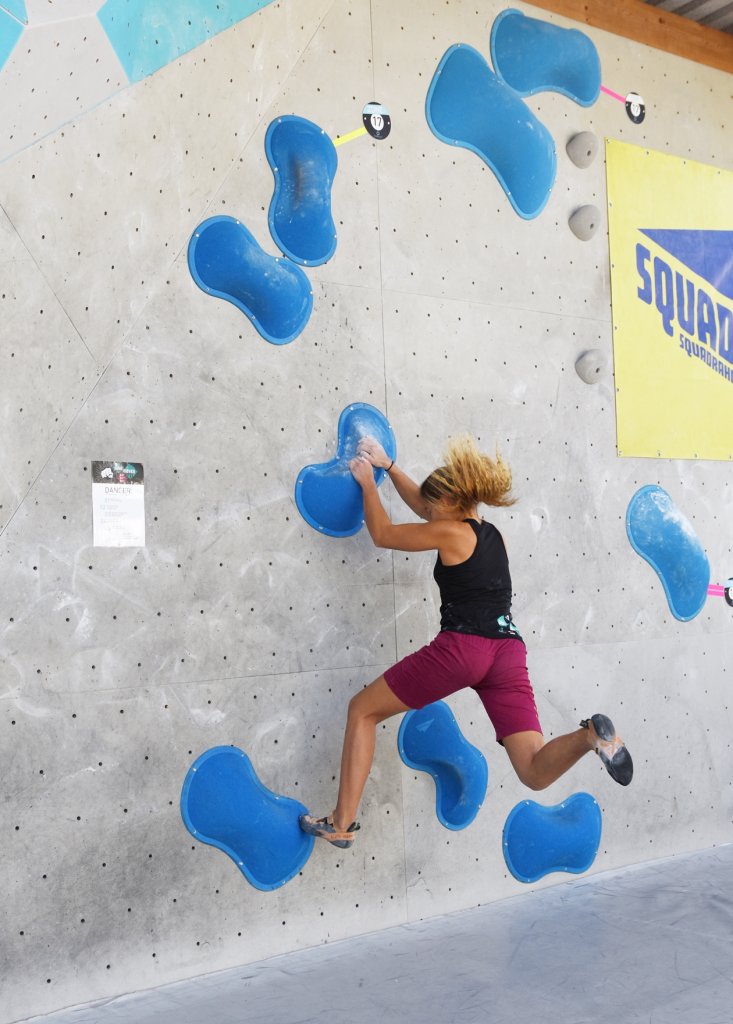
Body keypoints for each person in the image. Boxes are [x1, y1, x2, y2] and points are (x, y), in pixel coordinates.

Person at [300, 434, 632, 849]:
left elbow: (383, 533)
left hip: (464, 649)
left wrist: (368, 483)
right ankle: (591, 738)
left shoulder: (450, 534)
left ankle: (341, 822)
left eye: (433, 508)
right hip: (508, 651)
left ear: (451, 506)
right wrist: (388, 466)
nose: (426, 512)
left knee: (362, 711)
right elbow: (424, 505)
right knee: (532, 770)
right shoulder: (494, 535)